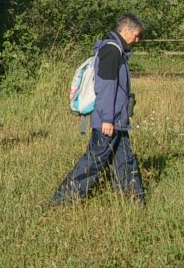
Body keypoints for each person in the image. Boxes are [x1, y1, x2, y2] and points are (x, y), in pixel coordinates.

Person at [52, 13, 146, 205]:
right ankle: (63, 200)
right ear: (126, 31)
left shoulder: (116, 50)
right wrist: (107, 119)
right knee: (94, 161)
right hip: (109, 121)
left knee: (124, 161)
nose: (138, 40)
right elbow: (105, 88)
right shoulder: (111, 52)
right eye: (136, 35)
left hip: (118, 120)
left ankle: (133, 201)